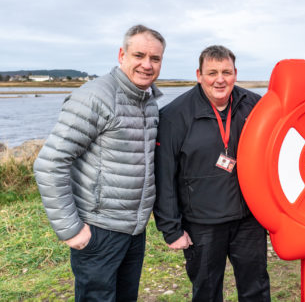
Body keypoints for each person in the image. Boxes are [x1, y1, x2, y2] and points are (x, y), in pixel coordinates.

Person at [33, 24, 165, 301]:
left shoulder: (149, 101)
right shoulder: (94, 97)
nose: (147, 65)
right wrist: (71, 229)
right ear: (122, 55)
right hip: (98, 230)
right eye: (139, 55)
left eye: (155, 58)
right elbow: (49, 163)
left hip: (133, 231)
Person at [153, 45, 271, 302]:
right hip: (202, 224)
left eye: (226, 72)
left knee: (256, 289)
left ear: (235, 73)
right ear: (199, 74)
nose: (220, 79)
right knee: (206, 292)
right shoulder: (174, 116)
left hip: (249, 220)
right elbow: (164, 176)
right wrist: (171, 228)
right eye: (212, 72)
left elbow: (279, 145)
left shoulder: (256, 106)